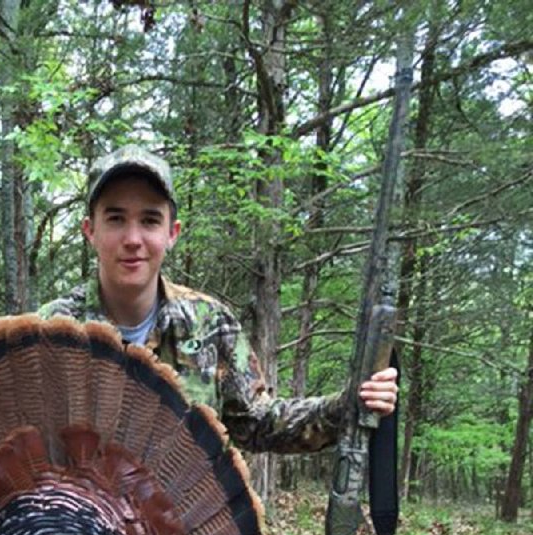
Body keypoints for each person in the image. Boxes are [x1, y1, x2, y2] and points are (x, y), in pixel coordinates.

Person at [38, 146, 397, 453]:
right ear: (90, 230)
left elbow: (258, 421)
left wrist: (348, 405)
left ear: (172, 234)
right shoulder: (50, 330)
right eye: (115, 219)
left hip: (183, 528)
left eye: (150, 221)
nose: (133, 238)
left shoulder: (210, 323)